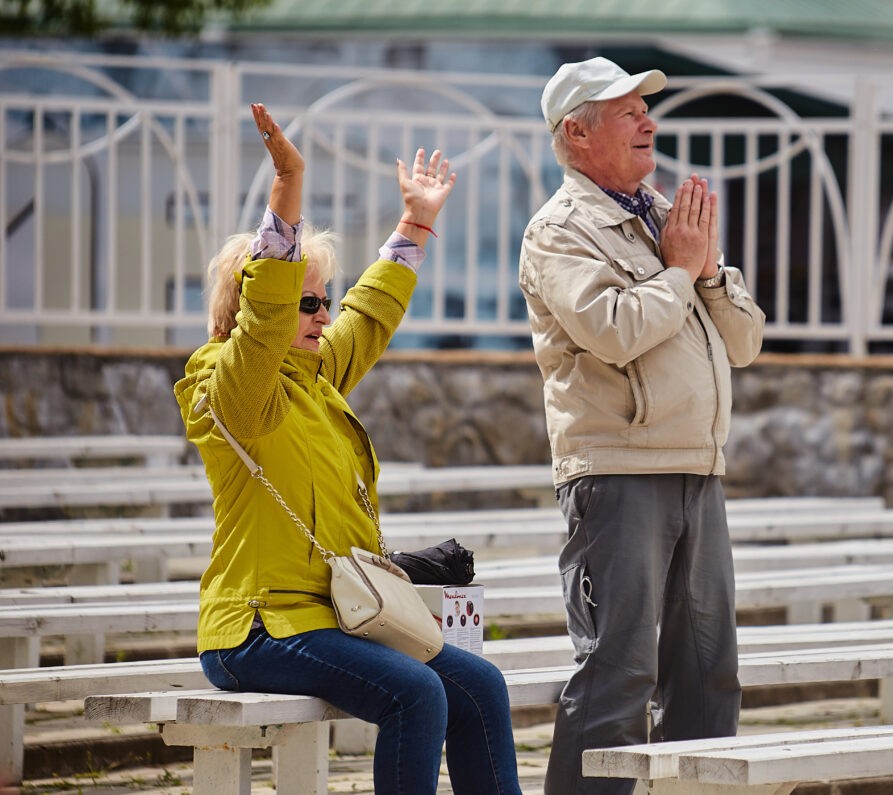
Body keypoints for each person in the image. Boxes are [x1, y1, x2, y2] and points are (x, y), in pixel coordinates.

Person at [174, 103, 522, 795]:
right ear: (257, 308)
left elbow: (368, 314)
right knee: (417, 692)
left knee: (478, 682)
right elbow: (264, 326)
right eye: (307, 303)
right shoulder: (224, 383)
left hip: (331, 616)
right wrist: (288, 184)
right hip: (256, 628)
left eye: (321, 299)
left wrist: (415, 223)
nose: (323, 315)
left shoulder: (313, 376)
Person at [517, 58, 767, 794]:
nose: (649, 123)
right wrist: (683, 272)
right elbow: (616, 329)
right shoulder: (559, 230)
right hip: (617, 473)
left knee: (708, 678)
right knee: (617, 681)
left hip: (698, 467)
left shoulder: (663, 216)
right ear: (577, 132)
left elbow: (746, 341)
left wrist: (706, 271)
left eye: (644, 109)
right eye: (627, 113)